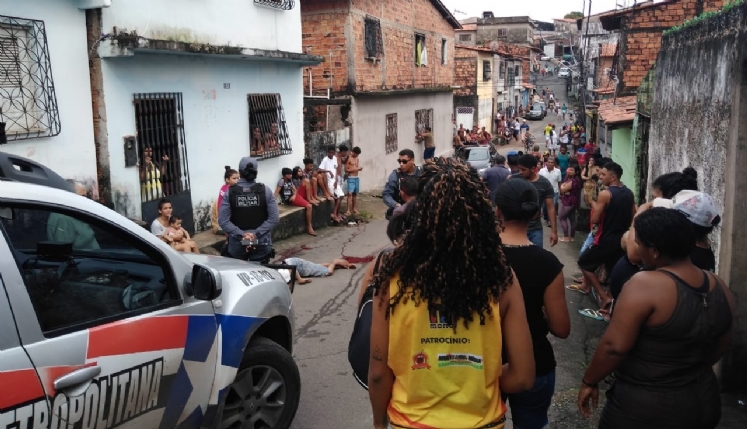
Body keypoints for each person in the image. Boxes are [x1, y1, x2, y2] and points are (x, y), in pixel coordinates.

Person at [368, 157, 535, 429]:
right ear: (481, 210)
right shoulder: (501, 278)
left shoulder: (391, 276)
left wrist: (378, 424)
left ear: (420, 208)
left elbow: (378, 372)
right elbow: (523, 377)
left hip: (409, 422)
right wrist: (479, 381)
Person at [578, 208, 734, 429]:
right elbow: (722, 343)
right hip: (704, 399)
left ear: (654, 251)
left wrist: (589, 380)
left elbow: (614, 347)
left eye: (639, 244)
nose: (637, 250)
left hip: (646, 407)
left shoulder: (645, 283)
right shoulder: (718, 285)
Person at [494, 179, 570, 429]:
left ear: (497, 211)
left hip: (486, 364)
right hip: (536, 363)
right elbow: (561, 328)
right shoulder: (547, 263)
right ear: (535, 214)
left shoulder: (479, 257)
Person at [576, 162, 635, 313]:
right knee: (613, 271)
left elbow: (595, 219)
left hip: (605, 237)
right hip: (621, 239)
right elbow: (633, 217)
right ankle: (610, 304)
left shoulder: (606, 194)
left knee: (584, 263)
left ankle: (604, 297)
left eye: (603, 174)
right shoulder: (629, 193)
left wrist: (594, 203)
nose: (600, 177)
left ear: (613, 177)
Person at [219, 157, 279, 263]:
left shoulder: (230, 192)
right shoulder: (266, 191)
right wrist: (255, 234)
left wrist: (243, 235)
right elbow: (274, 218)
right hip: (261, 242)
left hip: (238, 244)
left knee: (239, 272)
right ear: (256, 172)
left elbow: (223, 221)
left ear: (240, 173)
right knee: (260, 271)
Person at [517, 155, 558, 247]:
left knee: (537, 255)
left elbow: (551, 208)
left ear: (532, 169)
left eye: (523, 169)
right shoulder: (514, 181)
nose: (520, 172)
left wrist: (554, 231)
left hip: (535, 230)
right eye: (519, 169)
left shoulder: (545, 184)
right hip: (516, 229)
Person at [47, 182, 100, 250]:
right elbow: (65, 251)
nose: (85, 200)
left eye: (86, 197)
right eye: (82, 196)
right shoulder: (64, 218)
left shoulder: (73, 213)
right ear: (69, 196)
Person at [382, 149, 422, 220]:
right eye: (399, 161)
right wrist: (396, 205)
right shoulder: (395, 175)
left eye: (404, 161)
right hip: (400, 213)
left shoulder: (422, 173)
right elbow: (386, 194)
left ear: (412, 160)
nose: (401, 164)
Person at [277, 167, 317, 236]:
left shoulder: (290, 180)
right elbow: (276, 192)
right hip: (290, 200)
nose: (291, 175)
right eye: (289, 174)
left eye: (291, 174)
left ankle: (309, 199)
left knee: (306, 180)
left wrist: (294, 195)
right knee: (309, 206)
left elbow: (296, 190)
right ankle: (309, 227)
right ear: (285, 175)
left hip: (295, 196)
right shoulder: (282, 181)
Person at [281, 257, 356, 285]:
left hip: (298, 266)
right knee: (316, 267)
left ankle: (335, 262)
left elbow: (291, 268)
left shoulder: (281, 276)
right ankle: (343, 265)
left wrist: (300, 279)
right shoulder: (278, 275)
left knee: (328, 272)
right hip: (295, 263)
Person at [558, 164, 582, 242]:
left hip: (568, 202)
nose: (569, 171)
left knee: (562, 218)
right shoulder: (576, 179)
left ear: (576, 172)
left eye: (572, 170)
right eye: (569, 169)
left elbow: (562, 189)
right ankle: (571, 237)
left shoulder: (573, 180)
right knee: (572, 219)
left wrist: (563, 186)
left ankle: (566, 237)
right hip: (574, 202)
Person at [319, 145, 343, 222]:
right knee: (336, 197)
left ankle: (336, 213)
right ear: (327, 152)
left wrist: (336, 181)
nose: (331, 154)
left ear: (334, 153)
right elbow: (319, 169)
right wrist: (328, 171)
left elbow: (336, 170)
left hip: (335, 181)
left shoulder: (335, 159)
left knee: (341, 195)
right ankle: (335, 213)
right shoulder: (325, 160)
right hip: (328, 181)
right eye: (330, 152)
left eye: (332, 153)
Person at [538, 158, 561, 227]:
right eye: (549, 162)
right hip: (544, 192)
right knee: (545, 207)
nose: (550, 163)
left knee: (553, 205)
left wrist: (561, 192)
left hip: (554, 192)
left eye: (552, 162)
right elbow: (538, 181)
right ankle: (546, 218)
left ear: (554, 164)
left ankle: (550, 220)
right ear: (546, 163)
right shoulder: (542, 171)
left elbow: (559, 182)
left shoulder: (558, 171)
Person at [345, 147, 363, 216]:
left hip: (356, 178)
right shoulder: (349, 159)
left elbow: (356, 167)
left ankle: (354, 208)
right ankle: (348, 210)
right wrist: (356, 169)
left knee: (355, 194)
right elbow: (346, 170)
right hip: (351, 178)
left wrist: (358, 169)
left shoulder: (357, 159)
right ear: (354, 152)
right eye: (357, 154)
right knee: (350, 194)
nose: (357, 155)